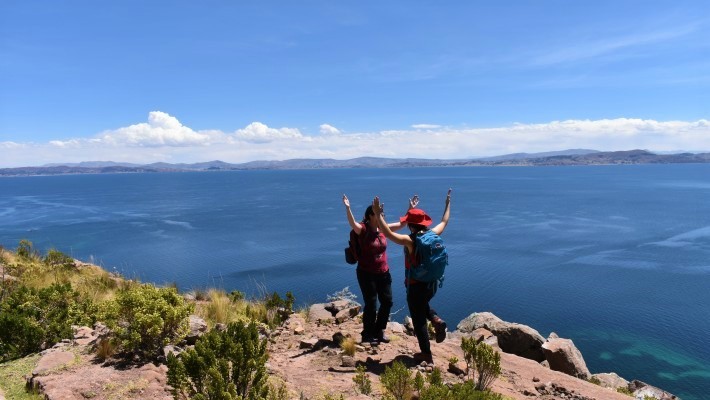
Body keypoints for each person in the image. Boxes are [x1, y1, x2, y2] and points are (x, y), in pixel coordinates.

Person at [372, 189, 451, 363]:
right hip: (432, 284)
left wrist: (378, 215)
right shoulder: (433, 234)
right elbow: (444, 220)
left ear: (410, 225)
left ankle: (426, 354)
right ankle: (437, 320)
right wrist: (447, 204)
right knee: (423, 305)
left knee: (418, 320)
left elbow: (388, 234)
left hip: (416, 285)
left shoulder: (411, 241)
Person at [342, 194, 418, 345]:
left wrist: (410, 209)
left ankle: (379, 330)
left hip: (383, 273)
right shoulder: (363, 230)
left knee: (387, 302)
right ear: (371, 215)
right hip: (366, 274)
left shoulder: (383, 229)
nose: (382, 216)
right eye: (379, 214)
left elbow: (403, 224)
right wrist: (348, 207)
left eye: (382, 214)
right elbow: (352, 223)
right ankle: (367, 335)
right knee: (371, 304)